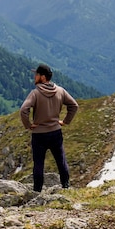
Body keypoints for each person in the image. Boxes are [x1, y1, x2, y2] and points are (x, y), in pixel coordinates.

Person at [20, 63, 78, 192]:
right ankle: (66, 186)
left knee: (39, 163)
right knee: (61, 160)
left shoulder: (35, 93)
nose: (34, 77)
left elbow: (24, 110)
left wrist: (28, 125)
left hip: (39, 134)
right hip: (56, 132)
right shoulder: (60, 91)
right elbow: (74, 105)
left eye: (36, 75)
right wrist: (66, 121)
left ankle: (37, 191)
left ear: (43, 77)